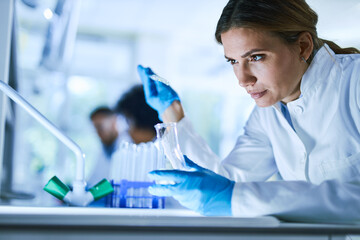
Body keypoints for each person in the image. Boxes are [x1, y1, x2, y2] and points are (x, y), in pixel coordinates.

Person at [137, 0, 360, 223]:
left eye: (256, 57)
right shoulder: (268, 112)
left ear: (303, 46)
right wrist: (172, 113)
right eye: (233, 61)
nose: (243, 80)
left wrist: (234, 197)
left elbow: (235, 196)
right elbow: (228, 184)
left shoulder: (355, 81)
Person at [87, 106, 129, 187]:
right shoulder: (105, 148)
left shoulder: (128, 144)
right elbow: (94, 179)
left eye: (100, 127)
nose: (98, 132)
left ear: (114, 121)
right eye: (95, 128)